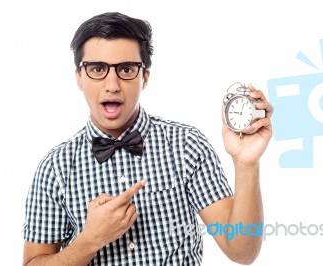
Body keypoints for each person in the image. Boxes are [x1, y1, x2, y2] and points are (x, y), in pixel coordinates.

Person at [22, 12, 272, 266]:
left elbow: (242, 251)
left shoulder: (187, 146)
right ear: (79, 77)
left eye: (126, 69)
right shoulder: (55, 168)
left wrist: (246, 164)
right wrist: (90, 240)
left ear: (145, 77)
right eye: (97, 69)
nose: (112, 85)